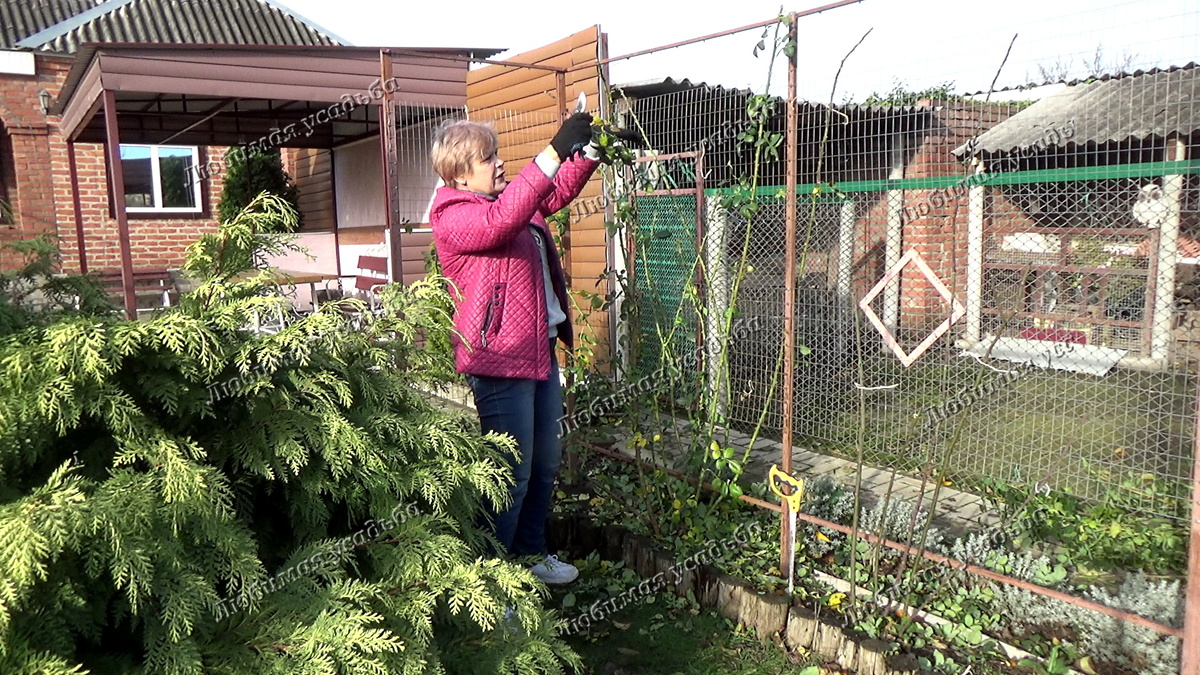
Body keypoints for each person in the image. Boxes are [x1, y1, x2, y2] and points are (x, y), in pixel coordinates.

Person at [429, 112, 619, 585]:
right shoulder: (454, 215)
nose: (499, 163)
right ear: (459, 174)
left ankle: (531, 553)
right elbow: (500, 222)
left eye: (496, 154)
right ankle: (493, 581)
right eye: (487, 158)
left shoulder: (508, 199)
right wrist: (553, 150)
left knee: (543, 465)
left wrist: (593, 149)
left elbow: (549, 194)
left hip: (539, 351)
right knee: (508, 474)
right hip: (498, 359)